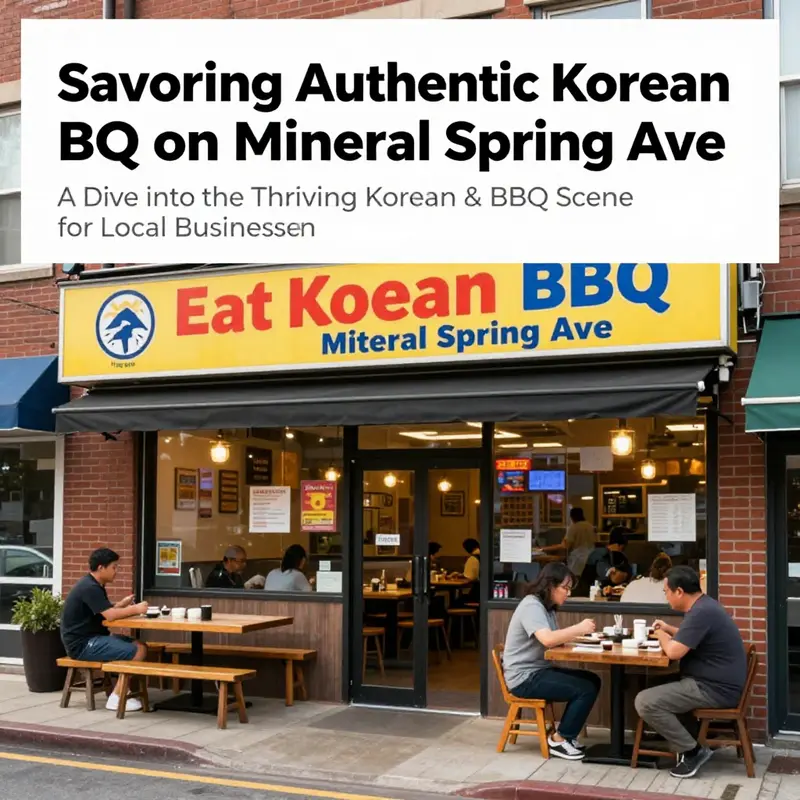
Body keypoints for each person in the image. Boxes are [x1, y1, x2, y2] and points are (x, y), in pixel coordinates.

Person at [635, 566, 747, 779]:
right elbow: (691, 637)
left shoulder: (701, 612)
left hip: (713, 688)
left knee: (645, 701)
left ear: (679, 591)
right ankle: (687, 740)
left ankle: (692, 751)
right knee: (650, 685)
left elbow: (674, 651)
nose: (665, 596)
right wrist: (669, 629)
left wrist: (660, 634)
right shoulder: (705, 606)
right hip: (713, 682)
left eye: (666, 591)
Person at [502, 562, 600, 761]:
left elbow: (555, 639)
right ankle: (559, 739)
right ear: (549, 586)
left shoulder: (547, 608)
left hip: (539, 670)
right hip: (524, 678)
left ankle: (566, 736)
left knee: (593, 680)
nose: (568, 593)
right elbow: (548, 639)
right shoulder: (532, 605)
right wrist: (579, 629)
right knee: (585, 688)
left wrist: (582, 639)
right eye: (565, 588)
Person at [60, 548, 149, 712]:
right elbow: (110, 616)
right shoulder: (89, 587)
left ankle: (121, 691)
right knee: (136, 650)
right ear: (101, 568)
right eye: (114, 567)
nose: (117, 571)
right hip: (83, 645)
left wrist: (121, 605)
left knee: (140, 645)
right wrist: (136, 609)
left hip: (91, 639)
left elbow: (104, 610)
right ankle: (117, 697)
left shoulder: (93, 585)